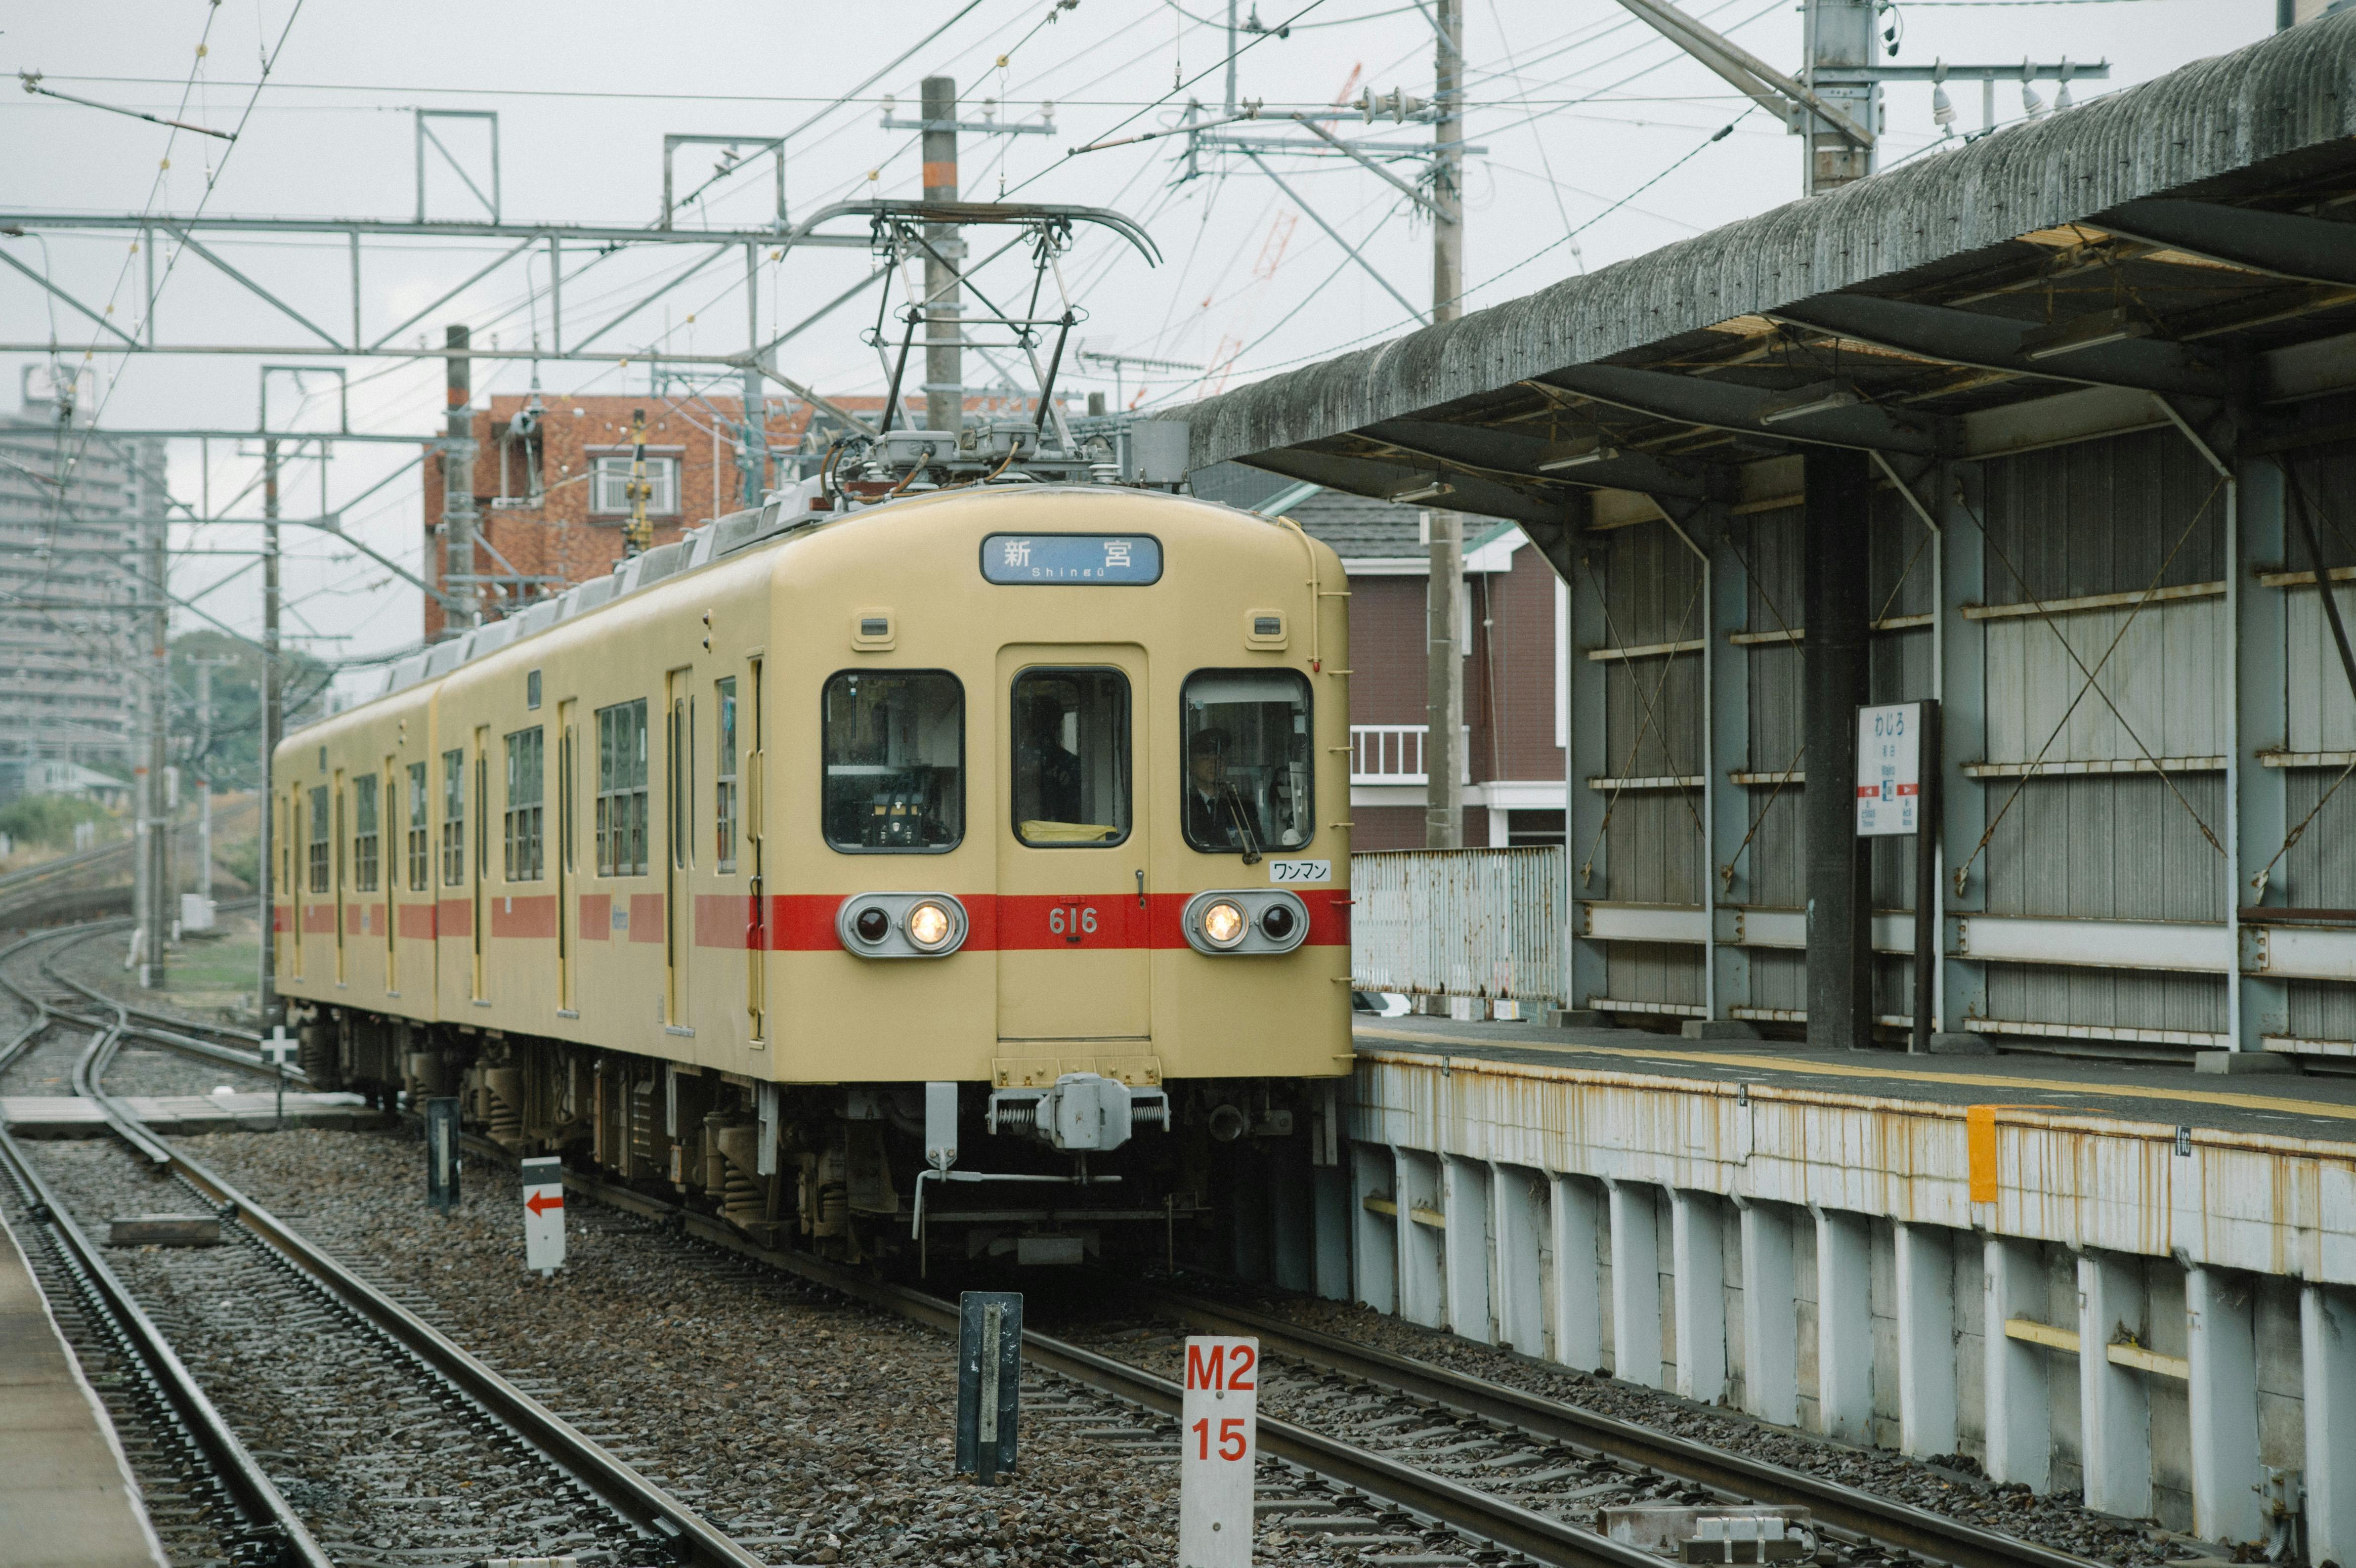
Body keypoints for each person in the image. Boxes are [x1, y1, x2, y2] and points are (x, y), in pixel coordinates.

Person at [1185, 727, 1264, 858]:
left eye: (1220, 759)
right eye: (1205, 758)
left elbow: (1258, 845)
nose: (1214, 764)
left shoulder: (1243, 806)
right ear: (1191, 765)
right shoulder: (1184, 805)